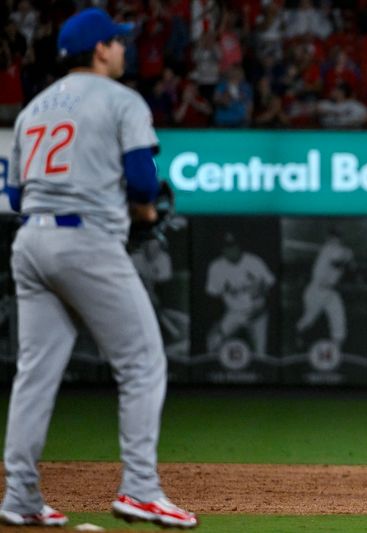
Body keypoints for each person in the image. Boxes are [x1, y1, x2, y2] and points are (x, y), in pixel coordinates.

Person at [0, 8, 197, 528]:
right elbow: (140, 182)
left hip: (31, 241)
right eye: (117, 41)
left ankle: (19, 497)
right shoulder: (121, 100)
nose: (124, 48)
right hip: (86, 240)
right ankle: (140, 489)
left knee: (34, 375)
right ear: (98, 50)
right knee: (143, 363)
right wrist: (147, 211)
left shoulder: (32, 108)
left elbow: (16, 193)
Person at [206, 232, 275, 359]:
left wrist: (263, 305)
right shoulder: (216, 267)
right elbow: (213, 296)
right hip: (234, 313)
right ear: (222, 249)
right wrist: (216, 323)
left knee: (262, 354)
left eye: (233, 246)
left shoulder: (254, 262)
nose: (230, 250)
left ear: (239, 247)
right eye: (226, 247)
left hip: (258, 315)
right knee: (213, 343)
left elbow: (271, 284)